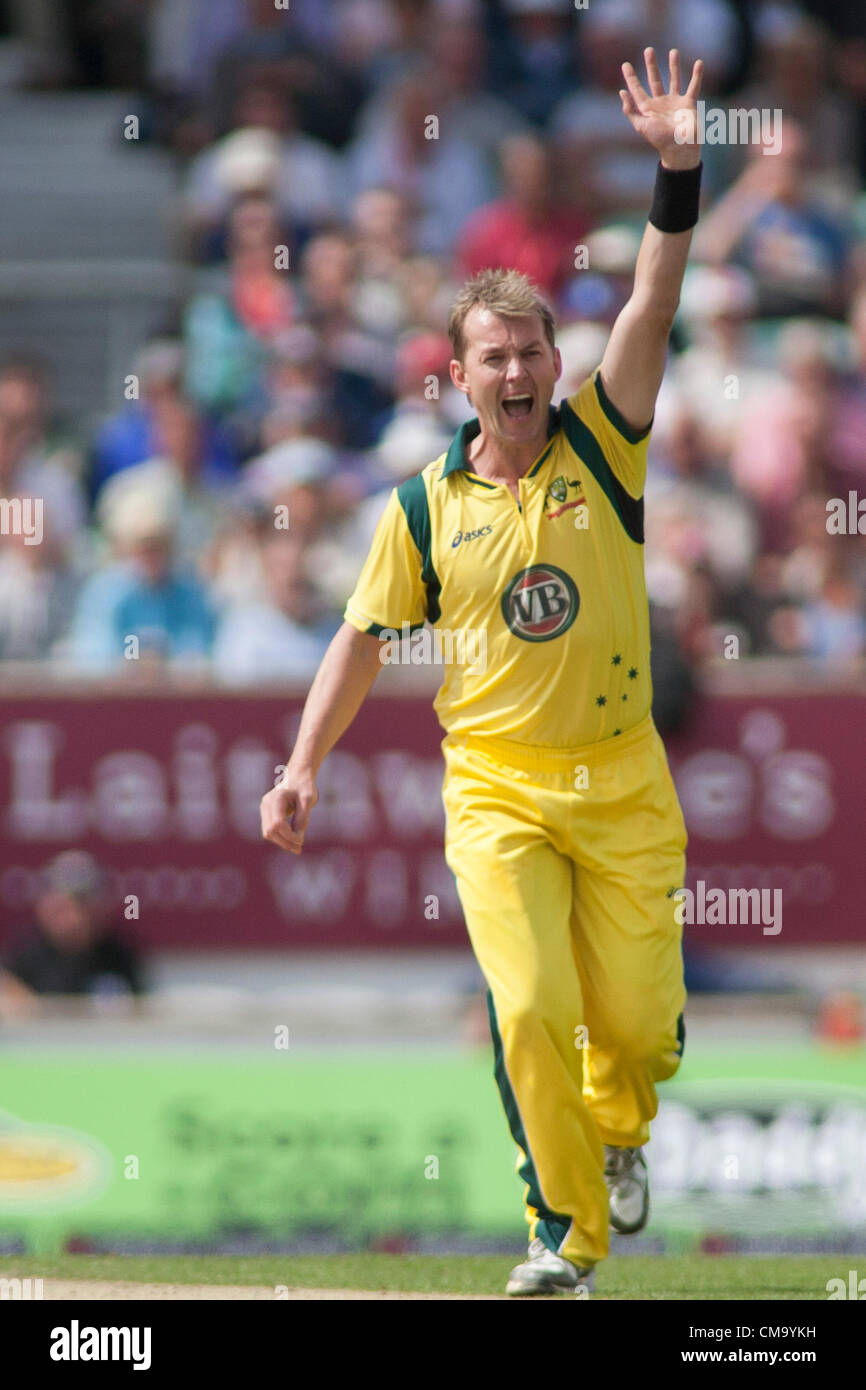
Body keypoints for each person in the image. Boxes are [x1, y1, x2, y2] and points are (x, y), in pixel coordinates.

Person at [261, 47, 704, 1298]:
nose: (516, 376)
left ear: (552, 364)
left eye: (529, 354)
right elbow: (357, 639)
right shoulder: (418, 506)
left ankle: (621, 1127)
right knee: (524, 1013)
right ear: (456, 376)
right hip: (496, 790)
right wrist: (300, 767)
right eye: (491, 359)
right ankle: (560, 1238)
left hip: (620, 781)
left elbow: (652, 309)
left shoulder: (605, 447)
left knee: (628, 1033)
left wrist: (676, 168)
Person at [0, 852, 144, 1016]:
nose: (74, 918)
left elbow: (141, 1010)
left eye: (83, 906)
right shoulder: (26, 953)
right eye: (64, 907)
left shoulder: (118, 954)